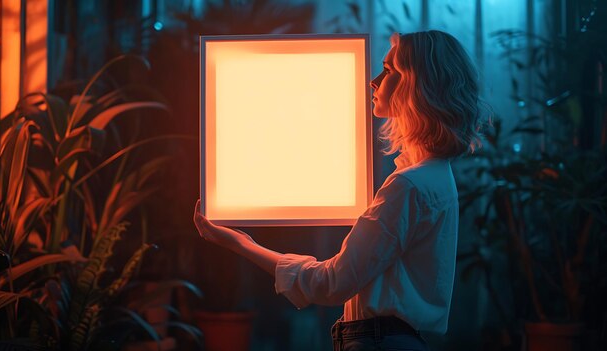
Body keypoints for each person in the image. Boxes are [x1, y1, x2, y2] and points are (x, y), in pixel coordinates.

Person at [194, 30, 484, 351]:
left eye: (388, 71)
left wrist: (241, 242)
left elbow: (331, 285)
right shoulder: (435, 178)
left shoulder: (409, 186)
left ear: (417, 86)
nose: (373, 81)